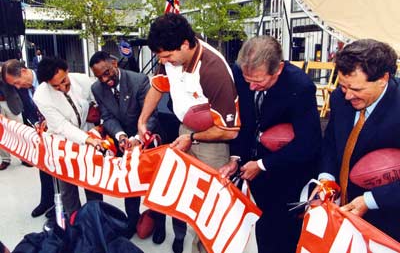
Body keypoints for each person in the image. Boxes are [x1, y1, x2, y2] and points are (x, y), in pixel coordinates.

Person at [138, 13, 240, 253]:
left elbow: (230, 130)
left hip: (214, 136)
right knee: (190, 201)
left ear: (185, 44)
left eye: (167, 56)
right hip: (187, 129)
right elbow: (158, 85)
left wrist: (192, 138)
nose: (164, 61)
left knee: (211, 207)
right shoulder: (173, 56)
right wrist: (142, 121)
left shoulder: (213, 70)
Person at [220, 36, 322, 253]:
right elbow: (244, 121)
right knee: (263, 228)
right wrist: (236, 158)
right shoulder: (239, 72)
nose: (252, 86)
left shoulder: (300, 87)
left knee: (283, 234)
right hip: (255, 170)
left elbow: (308, 144)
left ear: (279, 69)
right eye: (247, 80)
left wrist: (264, 164)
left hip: (287, 173)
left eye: (258, 81)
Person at [318, 39, 400, 241]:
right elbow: (331, 142)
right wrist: (326, 178)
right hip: (343, 218)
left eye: (356, 89)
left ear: (383, 79)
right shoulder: (339, 97)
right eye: (343, 86)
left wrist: (371, 200)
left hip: (388, 224)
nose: (347, 96)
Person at [89, 51, 162, 240]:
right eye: (99, 77)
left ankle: (159, 223)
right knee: (130, 183)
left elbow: (150, 116)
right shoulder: (97, 88)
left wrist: (137, 138)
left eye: (106, 73)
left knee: (155, 184)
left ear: (114, 63)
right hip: (124, 142)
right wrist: (121, 137)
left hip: (146, 137)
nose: (104, 80)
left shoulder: (139, 80)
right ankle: (133, 220)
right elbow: (107, 116)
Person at [33, 57, 103, 220]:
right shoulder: (40, 96)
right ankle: (75, 223)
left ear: (67, 70)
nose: (62, 87)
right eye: (55, 86)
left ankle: (97, 219)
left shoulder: (83, 80)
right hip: (62, 144)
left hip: (88, 138)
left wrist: (97, 120)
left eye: (64, 81)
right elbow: (61, 126)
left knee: (92, 183)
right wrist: (87, 139)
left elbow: (99, 103)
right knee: (67, 189)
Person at [1, 59, 56, 220]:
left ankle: (64, 207)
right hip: (42, 132)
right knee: (43, 166)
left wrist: (51, 123)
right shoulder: (23, 87)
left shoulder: (47, 77)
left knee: (61, 170)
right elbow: (29, 109)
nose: (17, 87)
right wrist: (38, 124)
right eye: (14, 85)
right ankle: (47, 200)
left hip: (60, 130)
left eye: (17, 82)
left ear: (24, 71)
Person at [0, 63, 24, 170]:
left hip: (11, 103)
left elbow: (10, 81)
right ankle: (5, 159)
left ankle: (24, 157)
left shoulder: (5, 67)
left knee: (19, 130)